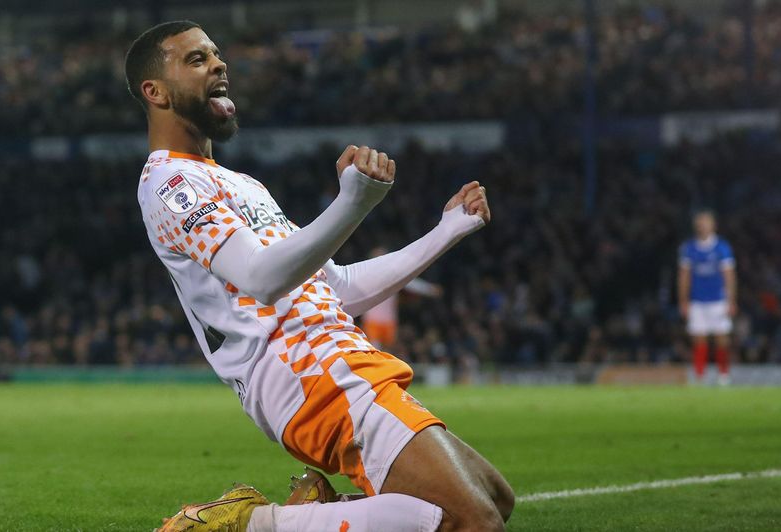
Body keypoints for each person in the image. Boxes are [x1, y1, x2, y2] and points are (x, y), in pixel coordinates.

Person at [126, 21, 514, 531]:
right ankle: (252, 525)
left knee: (495, 500)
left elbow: (337, 286)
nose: (219, 65)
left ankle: (314, 516)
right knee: (474, 522)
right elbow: (260, 278)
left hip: (338, 357)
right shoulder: (170, 182)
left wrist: (446, 231)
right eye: (196, 60)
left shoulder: (240, 183)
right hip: (305, 372)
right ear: (154, 92)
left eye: (216, 55)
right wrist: (354, 202)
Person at [678, 210, 737, 385]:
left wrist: (731, 300)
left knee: (722, 338)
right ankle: (699, 375)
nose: (702, 226)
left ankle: (723, 375)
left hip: (718, 300)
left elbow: (729, 275)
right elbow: (684, 276)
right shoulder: (688, 248)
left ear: (713, 225)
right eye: (700, 223)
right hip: (697, 300)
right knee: (698, 338)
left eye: (706, 222)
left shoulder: (722, 248)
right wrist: (683, 300)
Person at [360, 246, 443, 352]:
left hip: (389, 321)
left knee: (388, 354)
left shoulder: (393, 275)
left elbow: (411, 283)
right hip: (372, 322)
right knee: (374, 352)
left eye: (383, 257)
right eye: (378, 257)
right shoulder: (365, 276)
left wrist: (430, 289)